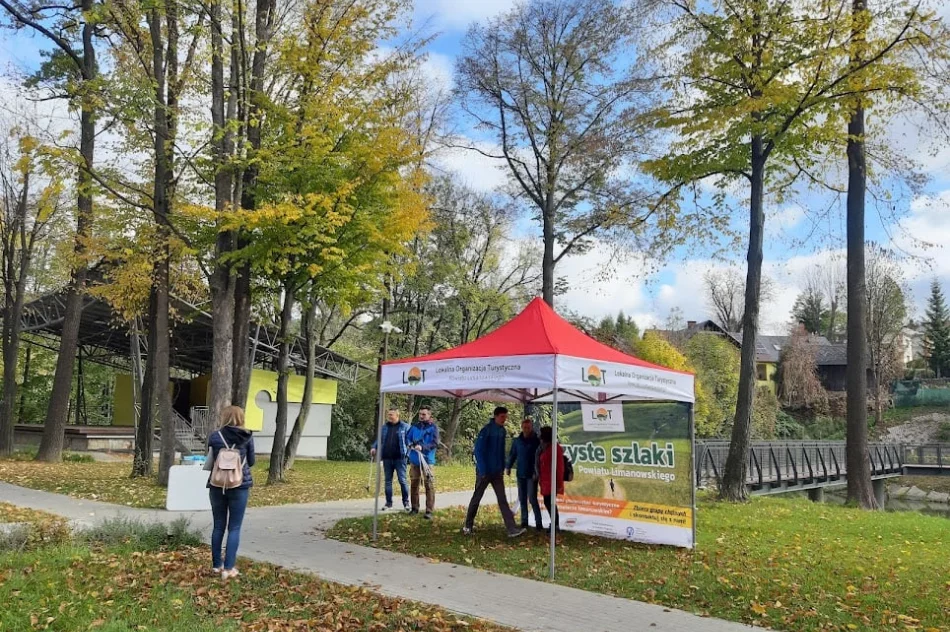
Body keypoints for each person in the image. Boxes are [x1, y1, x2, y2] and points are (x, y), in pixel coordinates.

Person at [207, 405, 255, 580]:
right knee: (234, 527)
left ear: (224, 417)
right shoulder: (247, 437)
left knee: (218, 526)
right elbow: (252, 461)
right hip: (239, 485)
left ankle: (216, 566)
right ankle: (229, 568)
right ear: (241, 418)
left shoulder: (215, 436)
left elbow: (210, 460)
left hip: (216, 485)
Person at [463, 406, 525, 537]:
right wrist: (483, 469)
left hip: (497, 472)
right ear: (496, 416)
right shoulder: (486, 431)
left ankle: (511, 529)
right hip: (484, 472)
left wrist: (504, 466)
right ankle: (467, 526)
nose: (504, 419)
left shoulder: (502, 431)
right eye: (502, 417)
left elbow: (501, 452)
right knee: (477, 498)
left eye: (505, 417)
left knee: (502, 500)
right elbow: (478, 451)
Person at [371, 408, 411, 512]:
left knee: (402, 480)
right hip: (387, 458)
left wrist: (408, 454)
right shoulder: (384, 427)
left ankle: (406, 502)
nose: (389, 417)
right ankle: (389, 503)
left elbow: (410, 441)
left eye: (391, 415)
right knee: (388, 481)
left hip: (400, 458)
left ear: (397, 416)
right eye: (388, 415)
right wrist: (374, 447)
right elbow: (378, 439)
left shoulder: (405, 427)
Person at [507, 418, 543, 530]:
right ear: (522, 428)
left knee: (532, 499)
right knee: (522, 499)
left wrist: (537, 473)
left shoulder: (537, 441)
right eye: (524, 427)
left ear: (531, 427)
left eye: (528, 427)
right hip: (520, 473)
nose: (526, 429)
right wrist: (508, 467)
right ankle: (524, 521)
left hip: (532, 474)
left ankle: (538, 523)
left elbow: (541, 458)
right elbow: (513, 455)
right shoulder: (517, 441)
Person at [407, 405, 439, 519]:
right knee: (414, 484)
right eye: (420, 414)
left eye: (424, 414)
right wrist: (410, 444)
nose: (421, 416)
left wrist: (423, 447)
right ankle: (414, 508)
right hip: (415, 460)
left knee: (429, 485)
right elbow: (407, 437)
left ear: (429, 415)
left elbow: (435, 443)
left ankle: (429, 510)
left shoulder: (433, 428)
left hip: (427, 461)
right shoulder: (414, 427)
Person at [535, 425, 565, 533]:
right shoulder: (545, 447)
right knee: (548, 502)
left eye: (542, 435)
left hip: (552, 481)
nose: (540, 437)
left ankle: (555, 525)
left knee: (550, 502)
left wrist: (558, 483)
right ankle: (554, 524)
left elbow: (559, 467)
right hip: (546, 480)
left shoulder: (555, 448)